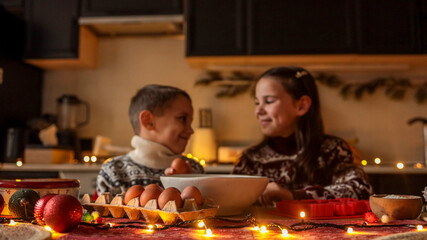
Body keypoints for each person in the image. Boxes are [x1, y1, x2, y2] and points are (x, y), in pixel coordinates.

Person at [232, 66, 372, 206]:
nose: (258, 111)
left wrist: (294, 196)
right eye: (257, 102)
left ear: (301, 106)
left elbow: (361, 190)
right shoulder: (250, 160)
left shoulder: (332, 151)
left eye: (269, 101)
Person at [96, 84, 204, 196]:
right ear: (148, 121)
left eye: (190, 122)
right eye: (182, 118)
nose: (191, 130)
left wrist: (188, 181)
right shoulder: (114, 171)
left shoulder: (195, 170)